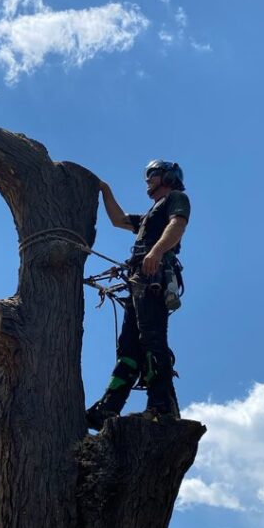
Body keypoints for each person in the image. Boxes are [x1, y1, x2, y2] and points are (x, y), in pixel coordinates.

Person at [86, 159, 190, 429]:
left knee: (152, 339)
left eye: (152, 175)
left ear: (167, 176)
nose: (147, 180)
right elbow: (118, 220)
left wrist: (156, 252)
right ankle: (109, 407)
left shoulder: (176, 199)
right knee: (129, 347)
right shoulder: (148, 217)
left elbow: (177, 225)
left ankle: (160, 407)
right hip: (138, 279)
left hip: (152, 275)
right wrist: (104, 189)